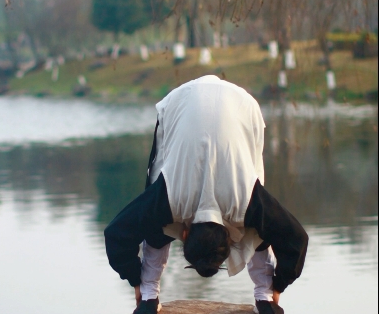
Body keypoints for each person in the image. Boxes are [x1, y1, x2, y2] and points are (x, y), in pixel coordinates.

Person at [104, 75, 308, 314]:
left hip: (234, 108)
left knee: (156, 217)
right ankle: (263, 295)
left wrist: (135, 279)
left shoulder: (172, 198)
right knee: (260, 222)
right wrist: (279, 284)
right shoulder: (244, 201)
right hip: (209, 102)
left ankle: (150, 292)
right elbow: (295, 239)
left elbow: (116, 234)